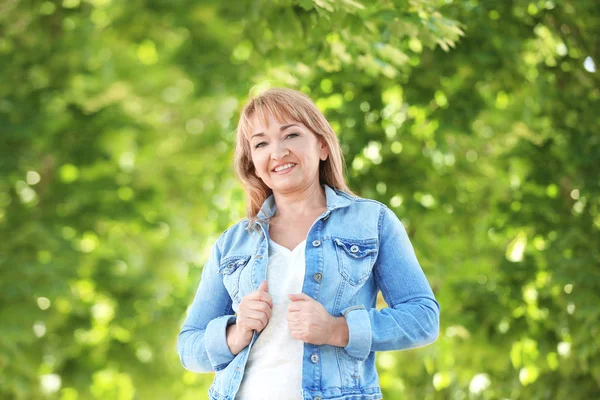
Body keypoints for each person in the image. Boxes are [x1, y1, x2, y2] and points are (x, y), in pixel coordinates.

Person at [177, 88, 440, 400]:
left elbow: (423, 318)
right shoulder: (232, 244)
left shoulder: (373, 222)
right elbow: (188, 346)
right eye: (261, 143)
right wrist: (235, 333)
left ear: (323, 146)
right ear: (253, 164)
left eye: (290, 135)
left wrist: (337, 329)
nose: (277, 152)